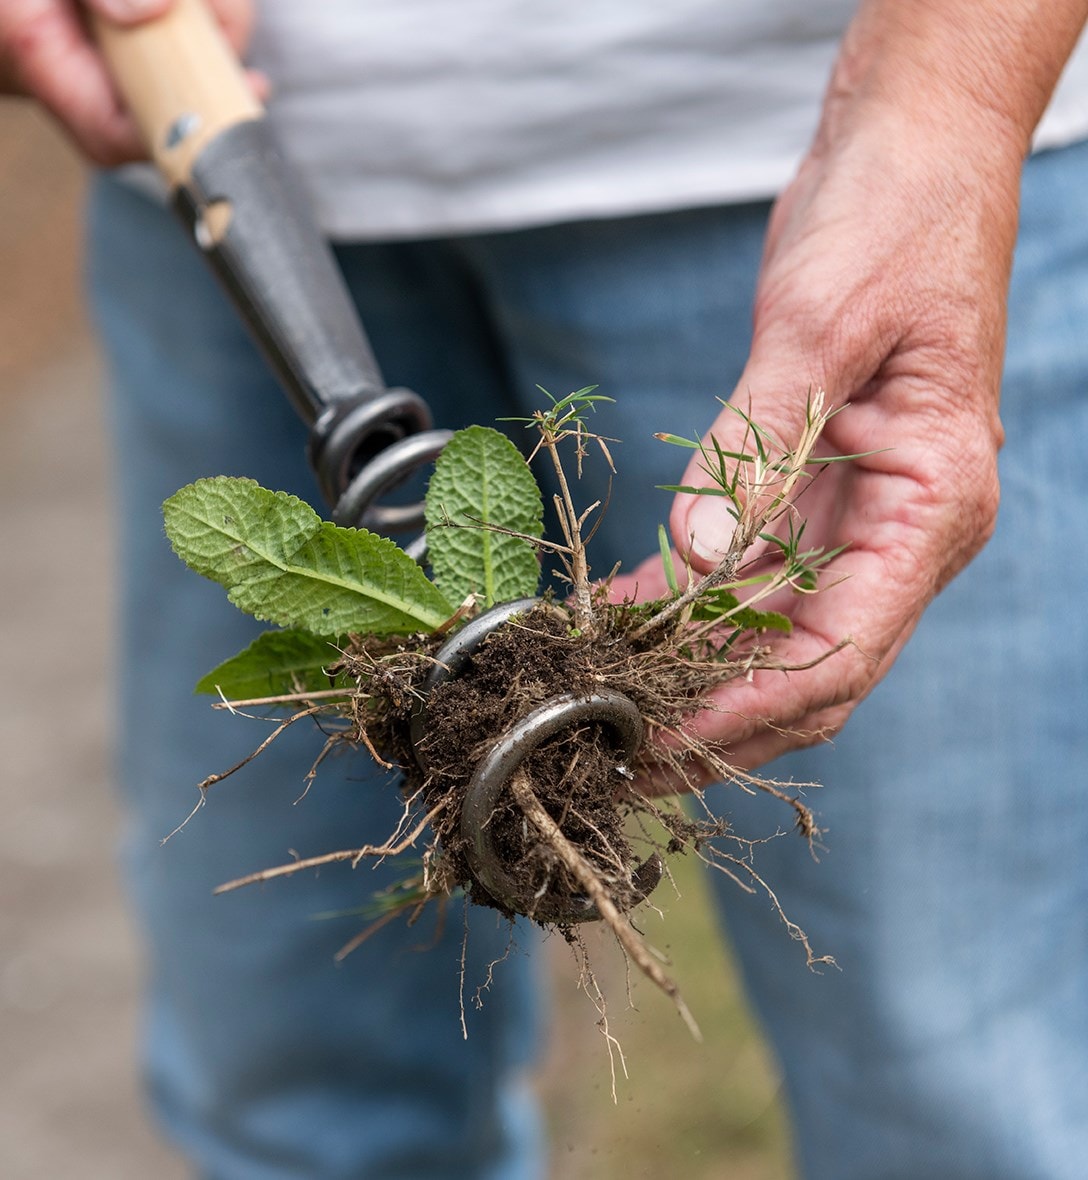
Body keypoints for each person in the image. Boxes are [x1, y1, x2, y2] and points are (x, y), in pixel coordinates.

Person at [4, 0, 1088, 1175]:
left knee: (951, 1086)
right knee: (301, 1103)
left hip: (818, 168)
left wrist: (946, 106)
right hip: (196, 121)